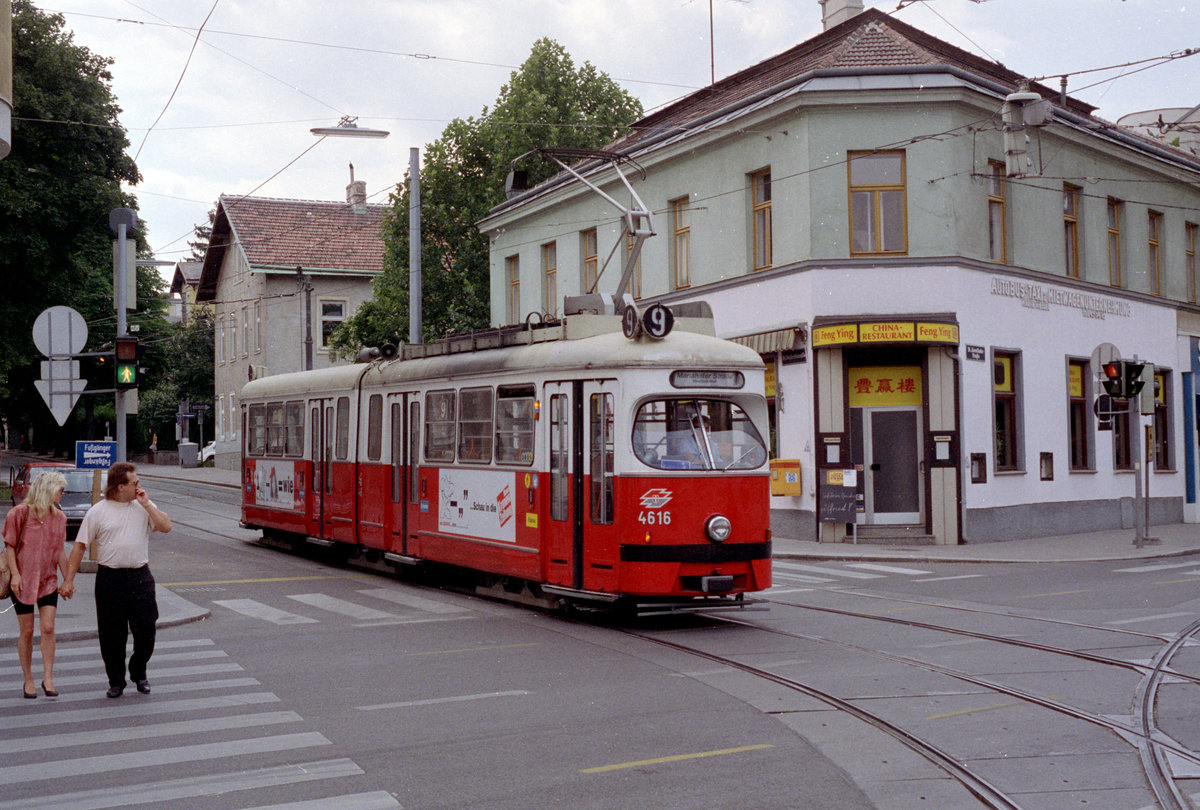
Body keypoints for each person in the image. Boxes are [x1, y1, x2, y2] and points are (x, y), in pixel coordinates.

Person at [62, 462, 171, 698]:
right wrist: (68, 580)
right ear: (121, 487)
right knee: (112, 634)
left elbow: (166, 526)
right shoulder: (98, 511)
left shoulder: (143, 506)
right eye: (135, 483)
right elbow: (80, 546)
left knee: (147, 629)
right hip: (110, 578)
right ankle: (116, 681)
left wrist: (147, 504)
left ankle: (138, 671)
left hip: (140, 576)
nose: (139, 486)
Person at [4, 471, 71, 699]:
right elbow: (10, 546)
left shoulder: (59, 517)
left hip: (47, 581)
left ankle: (48, 678)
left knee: (48, 627)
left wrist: (68, 579)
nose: (62, 493)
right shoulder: (18, 514)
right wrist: (15, 575)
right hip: (22, 581)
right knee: (27, 630)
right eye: (60, 489)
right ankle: (28, 678)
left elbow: (60, 551)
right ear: (47, 489)